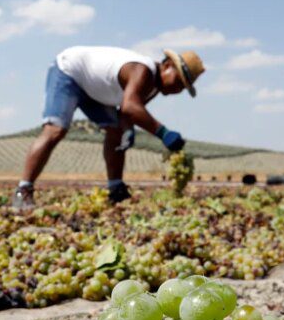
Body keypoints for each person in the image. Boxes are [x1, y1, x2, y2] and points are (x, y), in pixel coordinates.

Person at [12, 46, 204, 209]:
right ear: (167, 66)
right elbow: (131, 106)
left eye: (183, 88)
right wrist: (163, 133)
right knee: (56, 129)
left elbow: (127, 111)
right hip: (69, 72)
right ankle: (23, 191)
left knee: (117, 131)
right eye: (179, 81)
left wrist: (127, 128)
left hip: (94, 91)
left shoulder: (153, 87)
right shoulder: (142, 70)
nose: (178, 90)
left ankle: (116, 189)